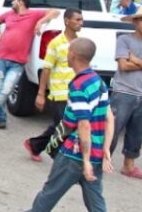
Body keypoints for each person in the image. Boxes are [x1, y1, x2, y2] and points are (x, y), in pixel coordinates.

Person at [27, 38, 114, 212]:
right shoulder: (98, 81)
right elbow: (109, 118)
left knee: (47, 196)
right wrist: (105, 149)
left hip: (74, 155)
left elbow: (84, 125)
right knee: (96, 203)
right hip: (96, 154)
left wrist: (86, 160)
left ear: (73, 55)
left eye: (68, 51)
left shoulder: (78, 85)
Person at [0, 0, 59, 129]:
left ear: (21, 2)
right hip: (1, 57)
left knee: (6, 90)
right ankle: (1, 118)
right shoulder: (9, 14)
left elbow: (55, 12)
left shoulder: (34, 15)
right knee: (0, 90)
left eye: (15, 0)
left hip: (18, 62)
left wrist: (41, 22)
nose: (12, 2)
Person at [24, 9, 83, 162]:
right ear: (66, 21)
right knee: (63, 126)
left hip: (75, 93)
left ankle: (35, 145)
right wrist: (41, 93)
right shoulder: (56, 43)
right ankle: (57, 155)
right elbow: (47, 69)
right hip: (59, 93)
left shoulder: (79, 43)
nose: (80, 23)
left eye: (81, 20)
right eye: (77, 20)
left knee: (62, 126)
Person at [109, 5, 142, 181]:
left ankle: (129, 165)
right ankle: (99, 161)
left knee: (138, 130)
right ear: (135, 21)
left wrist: (135, 60)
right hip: (124, 91)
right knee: (113, 129)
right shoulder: (124, 40)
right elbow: (123, 66)